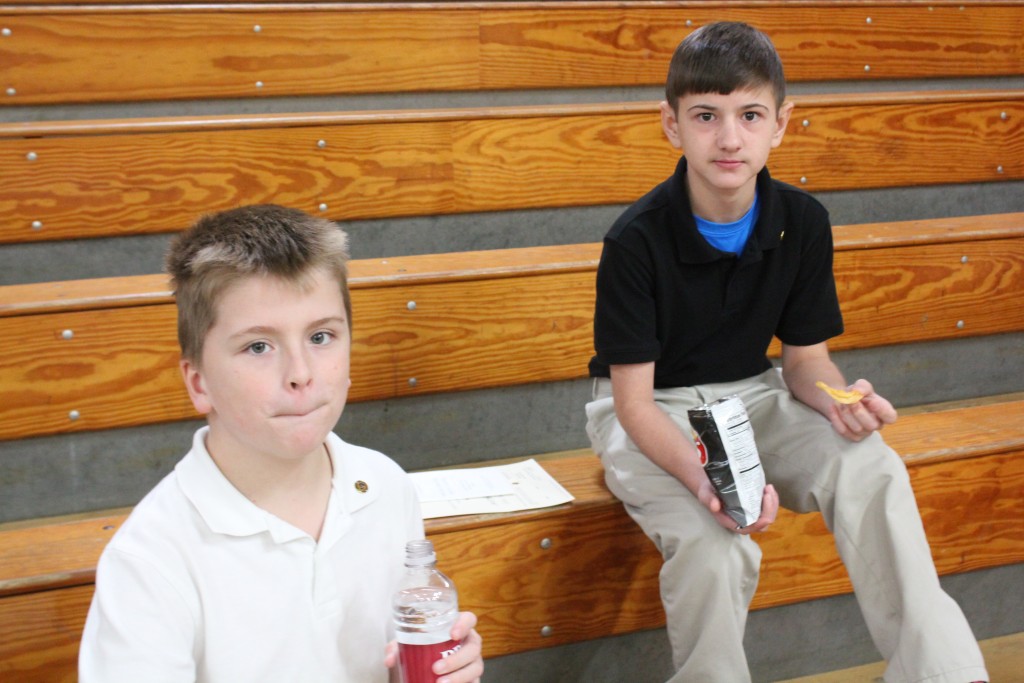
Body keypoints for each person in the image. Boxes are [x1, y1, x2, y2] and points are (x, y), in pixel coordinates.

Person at [584, 21, 988, 683]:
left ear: (780, 122)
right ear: (671, 123)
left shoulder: (802, 221)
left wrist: (841, 400)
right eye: (706, 116)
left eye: (749, 115)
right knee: (717, 543)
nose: (728, 137)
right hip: (650, 414)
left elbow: (805, 362)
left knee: (871, 465)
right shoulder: (635, 240)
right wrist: (704, 479)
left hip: (755, 394)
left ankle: (942, 670)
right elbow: (631, 403)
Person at [79, 204, 484, 683]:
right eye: (258, 346)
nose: (300, 374)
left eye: (321, 336)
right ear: (199, 382)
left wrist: (434, 669)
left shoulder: (384, 485)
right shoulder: (151, 559)